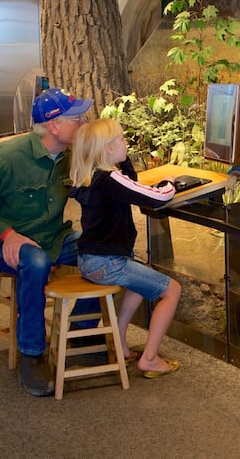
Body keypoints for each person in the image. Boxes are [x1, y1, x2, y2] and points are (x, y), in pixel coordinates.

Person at [0, 87, 101, 397]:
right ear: (53, 126)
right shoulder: (7, 157)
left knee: (102, 248)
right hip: (2, 244)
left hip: (53, 238)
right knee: (35, 262)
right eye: (77, 118)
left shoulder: (71, 153)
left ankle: (83, 332)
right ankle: (31, 355)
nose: (83, 123)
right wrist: (7, 234)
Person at [69, 118, 183, 378]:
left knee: (142, 278)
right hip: (108, 262)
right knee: (172, 291)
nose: (126, 143)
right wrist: (170, 182)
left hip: (90, 260)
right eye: (121, 139)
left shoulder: (90, 176)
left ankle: (119, 341)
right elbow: (158, 197)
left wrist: (125, 159)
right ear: (108, 149)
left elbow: (129, 182)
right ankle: (150, 359)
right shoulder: (110, 180)